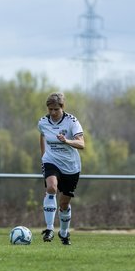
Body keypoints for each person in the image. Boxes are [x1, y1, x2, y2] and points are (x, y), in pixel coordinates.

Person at [37, 92, 85, 245]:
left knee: (64, 204)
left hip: (71, 166)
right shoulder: (43, 122)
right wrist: (44, 157)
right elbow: (42, 136)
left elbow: (82, 144)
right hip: (51, 161)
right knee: (51, 188)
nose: (52, 112)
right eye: (50, 109)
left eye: (55, 109)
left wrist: (67, 141)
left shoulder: (72, 121)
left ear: (62, 107)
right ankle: (49, 229)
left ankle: (64, 233)